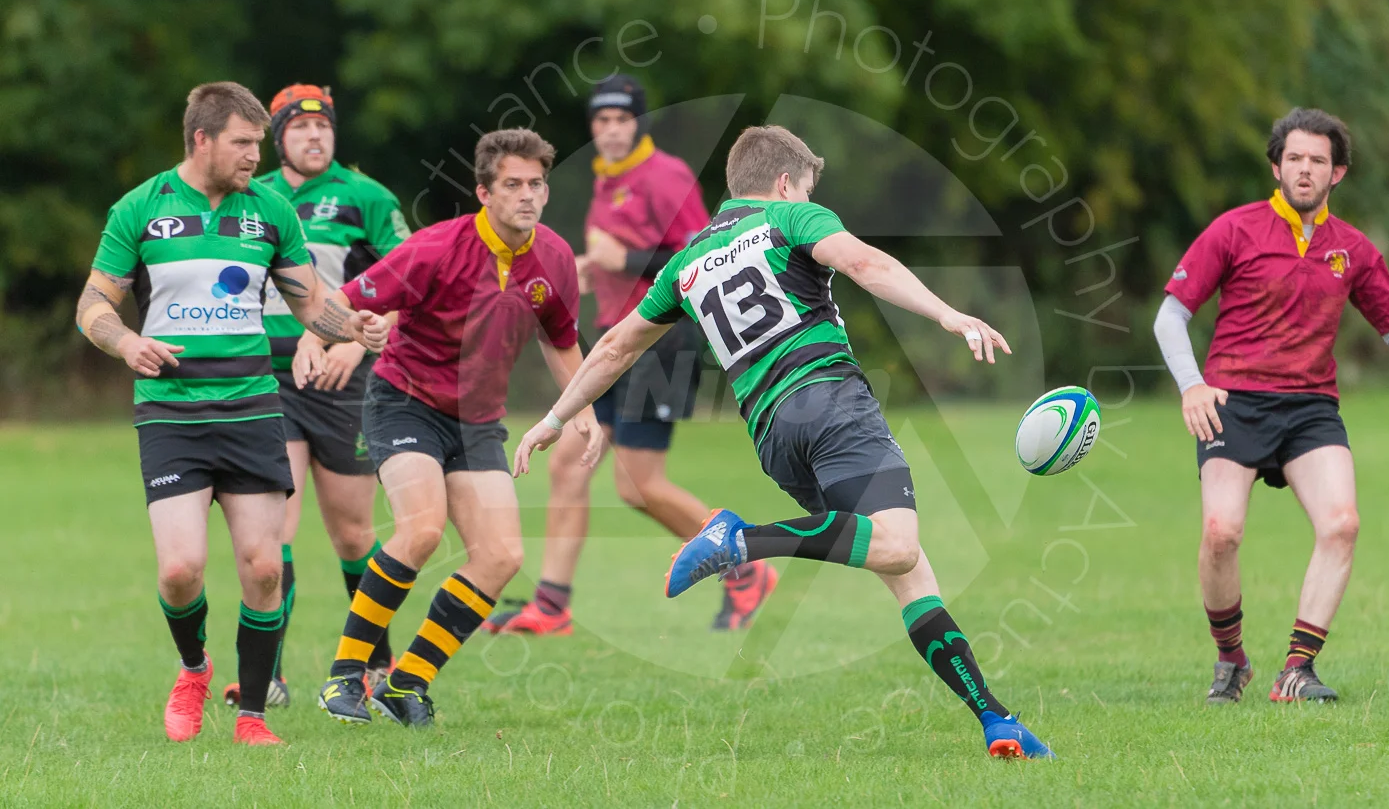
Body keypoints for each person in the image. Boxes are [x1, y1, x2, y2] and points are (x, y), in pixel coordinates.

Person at [511, 125, 1054, 759]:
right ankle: (743, 539)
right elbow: (864, 263)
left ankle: (995, 719)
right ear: (785, 183)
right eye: (806, 188)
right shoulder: (791, 219)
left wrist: (553, 417)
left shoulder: (687, 260)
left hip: (772, 435)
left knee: (905, 568)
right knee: (899, 545)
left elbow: (614, 346)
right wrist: (948, 314)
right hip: (831, 405)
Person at [74, 82, 389, 746]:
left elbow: (310, 303)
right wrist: (127, 341)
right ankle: (194, 667)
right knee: (180, 570)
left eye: (258, 143)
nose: (256, 154)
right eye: (244, 143)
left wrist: (353, 325)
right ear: (202, 140)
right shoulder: (142, 207)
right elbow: (93, 306)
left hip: (252, 407)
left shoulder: (271, 210)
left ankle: (252, 717)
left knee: (265, 566)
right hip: (171, 414)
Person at [313, 128, 603, 728]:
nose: (527, 195)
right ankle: (345, 676)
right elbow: (338, 304)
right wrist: (343, 332)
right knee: (421, 531)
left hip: (476, 423)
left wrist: (583, 413)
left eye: (537, 184)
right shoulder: (435, 249)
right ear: (484, 192)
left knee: (500, 556)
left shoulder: (553, 260)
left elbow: (562, 341)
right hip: (404, 402)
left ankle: (407, 682)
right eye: (513, 185)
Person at [1152, 107, 1389, 704]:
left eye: (1318, 161)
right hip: (1232, 400)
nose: (1305, 169)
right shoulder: (1235, 229)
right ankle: (1231, 660)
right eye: (1295, 158)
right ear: (1276, 166)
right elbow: (1171, 316)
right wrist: (1191, 385)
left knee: (1342, 525)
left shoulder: (1352, 248)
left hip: (1310, 407)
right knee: (1221, 532)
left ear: (1338, 174)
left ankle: (1297, 670)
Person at [483, 74, 776, 637]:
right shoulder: (605, 177)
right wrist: (598, 267)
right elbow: (627, 256)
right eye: (601, 121)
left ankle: (746, 566)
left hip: (663, 342)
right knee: (570, 461)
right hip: (614, 339)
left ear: (637, 124)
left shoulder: (664, 175)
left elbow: (706, 249)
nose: (611, 131)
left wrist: (627, 258)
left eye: (622, 120)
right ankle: (552, 605)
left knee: (638, 485)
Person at [219, 84, 410, 709]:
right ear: (278, 138)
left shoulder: (367, 198)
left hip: (344, 380)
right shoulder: (254, 196)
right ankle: (267, 676)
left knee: (354, 535)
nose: (314, 136)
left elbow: (410, 286)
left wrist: (353, 347)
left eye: (323, 127)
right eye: (299, 129)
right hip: (266, 379)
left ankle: (374, 665)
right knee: (275, 528)